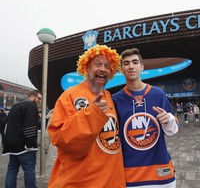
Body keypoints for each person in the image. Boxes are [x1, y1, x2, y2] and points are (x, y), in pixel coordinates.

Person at [47, 45, 125, 188]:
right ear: (86, 68)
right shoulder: (70, 95)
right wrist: (91, 114)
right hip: (80, 182)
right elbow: (60, 138)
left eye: (107, 66)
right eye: (98, 64)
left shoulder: (109, 97)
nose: (103, 69)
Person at [112, 48, 179, 188]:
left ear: (141, 66)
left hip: (161, 175)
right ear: (121, 69)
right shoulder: (115, 100)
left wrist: (168, 120)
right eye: (126, 63)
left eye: (135, 62)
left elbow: (172, 131)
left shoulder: (158, 94)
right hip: (130, 176)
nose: (131, 66)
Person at [2, 90, 42, 188]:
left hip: (11, 145)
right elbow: (30, 126)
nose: (39, 101)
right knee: (29, 170)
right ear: (33, 96)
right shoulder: (30, 106)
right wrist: (30, 145)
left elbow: (6, 125)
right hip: (24, 146)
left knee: (12, 169)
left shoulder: (15, 106)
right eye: (39, 98)